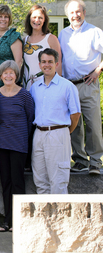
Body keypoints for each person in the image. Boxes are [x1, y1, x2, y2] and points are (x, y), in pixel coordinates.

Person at [59, 0, 103, 175]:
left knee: (93, 124)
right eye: (71, 12)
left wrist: (98, 70)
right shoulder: (63, 34)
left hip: (88, 83)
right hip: (70, 85)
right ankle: (80, 160)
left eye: (78, 11)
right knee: (74, 124)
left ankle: (95, 163)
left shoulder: (94, 32)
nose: (75, 15)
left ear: (84, 12)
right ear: (67, 15)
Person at [30, 48, 80, 194]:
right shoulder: (35, 87)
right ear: (39, 65)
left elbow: (75, 114)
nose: (47, 65)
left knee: (58, 180)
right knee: (40, 180)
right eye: (44, 62)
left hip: (58, 133)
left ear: (57, 64)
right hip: (38, 134)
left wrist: (64, 132)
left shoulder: (67, 86)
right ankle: (45, 216)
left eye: (50, 62)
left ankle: (59, 216)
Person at [0, 60, 35, 232]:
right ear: (1, 75)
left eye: (12, 73)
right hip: (2, 144)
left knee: (18, 182)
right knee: (6, 182)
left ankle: (19, 222)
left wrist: (26, 143)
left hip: (19, 144)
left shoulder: (24, 95)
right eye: (6, 73)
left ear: (16, 75)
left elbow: (30, 119)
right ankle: (7, 221)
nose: (9, 75)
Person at [21, 4, 62, 89]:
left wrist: (57, 88)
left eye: (40, 18)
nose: (37, 20)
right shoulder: (25, 40)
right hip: (27, 87)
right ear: (29, 19)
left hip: (46, 87)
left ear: (44, 21)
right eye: (34, 17)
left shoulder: (51, 39)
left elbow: (58, 65)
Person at [0, 5, 23, 88]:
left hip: (7, 81)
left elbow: (18, 61)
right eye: (0, 16)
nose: (3, 19)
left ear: (9, 20)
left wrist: (13, 82)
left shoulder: (13, 36)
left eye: (6, 17)